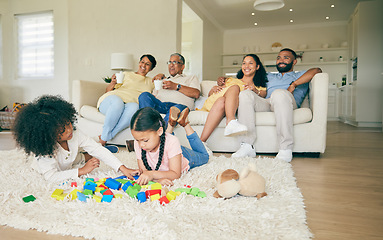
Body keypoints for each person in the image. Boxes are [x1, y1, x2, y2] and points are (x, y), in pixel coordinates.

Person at [12, 95, 139, 182]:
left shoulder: (74, 133)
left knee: (91, 148)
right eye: (62, 130)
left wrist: (122, 168)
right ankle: (85, 154)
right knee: (78, 158)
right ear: (49, 136)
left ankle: (92, 146)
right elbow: (51, 176)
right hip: (60, 165)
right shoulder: (44, 151)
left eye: (68, 124)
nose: (69, 130)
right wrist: (81, 171)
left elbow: (96, 149)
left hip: (70, 160)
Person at [233, 48, 322, 162]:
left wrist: (294, 84)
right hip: (267, 102)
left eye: (286, 57)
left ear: (294, 62)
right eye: (279, 58)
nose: (281, 60)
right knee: (245, 94)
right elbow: (245, 78)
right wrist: (223, 81)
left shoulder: (299, 75)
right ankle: (247, 146)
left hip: (287, 102)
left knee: (279, 93)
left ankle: (285, 148)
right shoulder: (269, 76)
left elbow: (317, 70)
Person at [199, 54, 268, 151]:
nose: (246, 66)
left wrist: (255, 90)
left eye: (250, 63)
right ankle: (231, 121)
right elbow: (210, 95)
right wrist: (213, 89)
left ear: (257, 67)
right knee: (234, 88)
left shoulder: (258, 87)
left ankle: (201, 142)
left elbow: (263, 95)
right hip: (212, 102)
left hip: (221, 104)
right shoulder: (231, 80)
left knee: (222, 101)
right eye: (244, 63)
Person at [130, 107, 209, 186]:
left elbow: (175, 174)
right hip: (166, 146)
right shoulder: (140, 143)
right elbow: (144, 172)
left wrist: (152, 175)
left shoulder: (172, 142)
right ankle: (171, 125)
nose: (141, 145)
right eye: (137, 140)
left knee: (205, 157)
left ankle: (185, 124)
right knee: (167, 141)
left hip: (182, 155)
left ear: (160, 131)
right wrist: (156, 181)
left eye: (145, 140)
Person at [96, 54, 157, 146]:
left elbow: (163, 83)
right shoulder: (126, 75)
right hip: (111, 102)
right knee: (118, 102)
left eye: (147, 64)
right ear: (139, 63)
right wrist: (113, 82)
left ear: (151, 69)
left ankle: (107, 136)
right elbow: (108, 91)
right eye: (142, 62)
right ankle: (104, 140)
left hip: (128, 106)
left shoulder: (151, 81)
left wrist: (161, 75)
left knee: (135, 107)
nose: (143, 65)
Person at [138, 53, 200, 125]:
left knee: (175, 110)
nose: (171, 65)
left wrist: (175, 86)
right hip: (161, 105)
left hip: (178, 106)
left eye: (174, 62)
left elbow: (196, 93)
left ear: (182, 66)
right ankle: (146, 126)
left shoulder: (190, 78)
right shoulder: (162, 79)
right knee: (144, 95)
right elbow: (153, 97)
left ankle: (162, 131)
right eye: (170, 62)